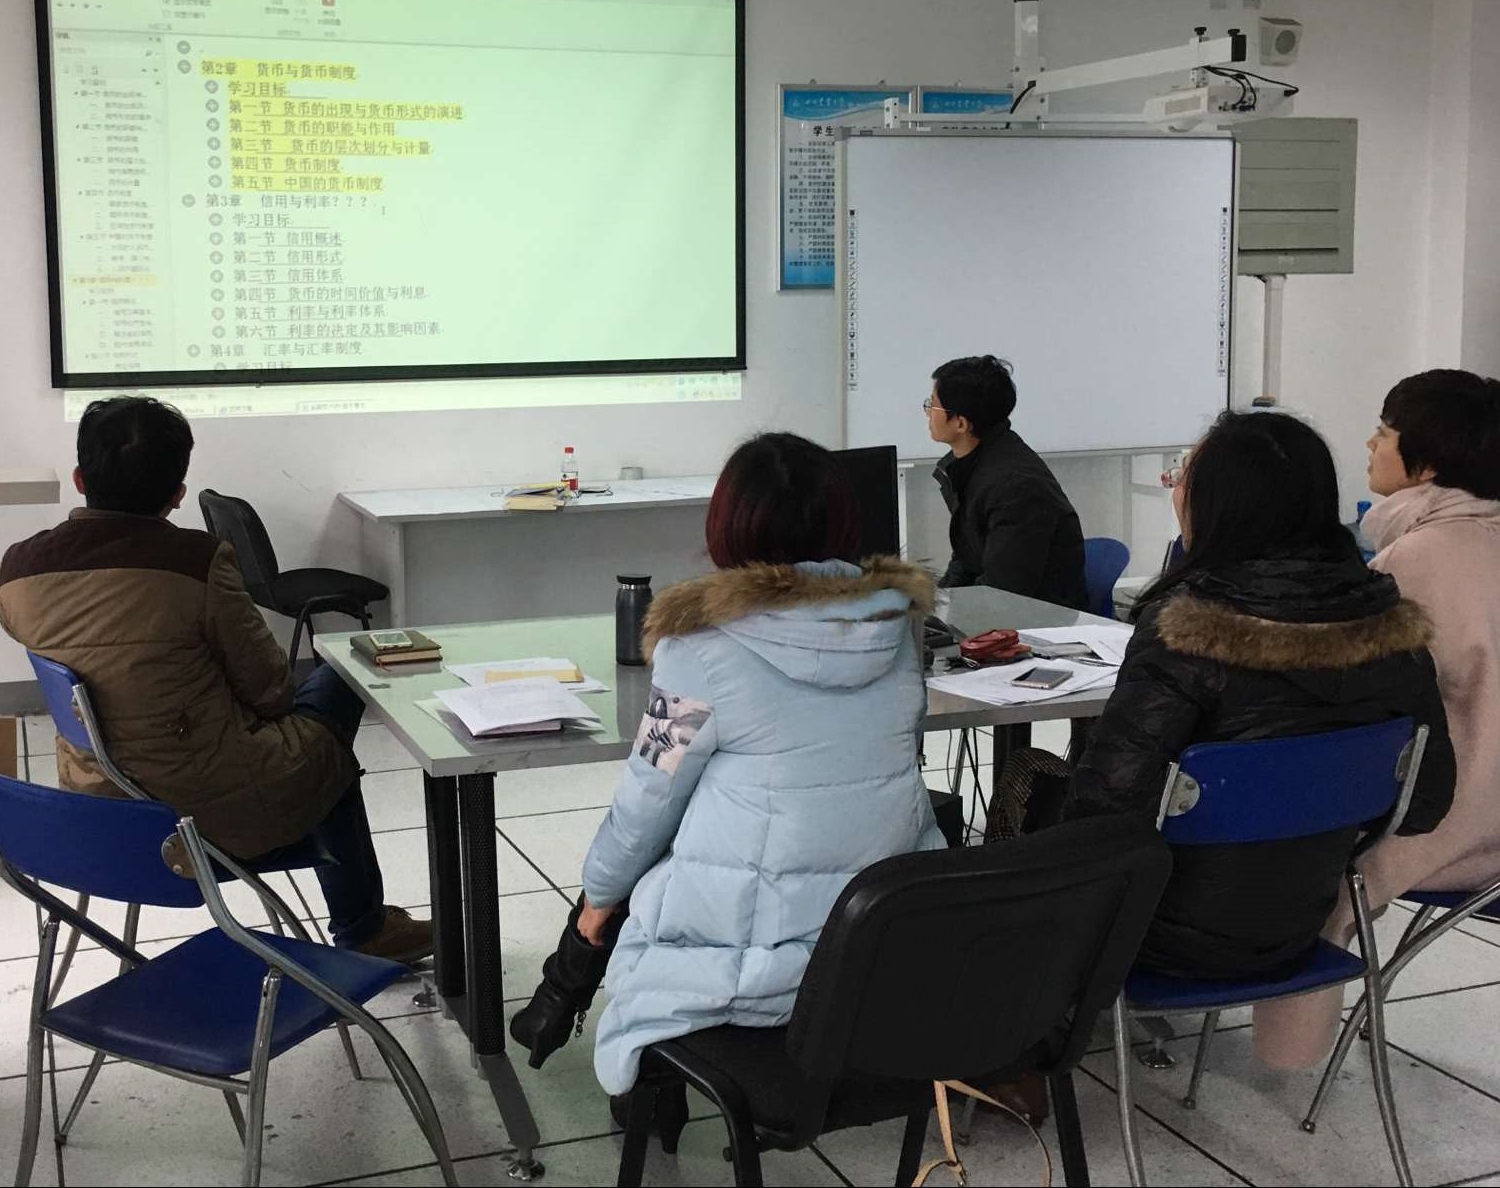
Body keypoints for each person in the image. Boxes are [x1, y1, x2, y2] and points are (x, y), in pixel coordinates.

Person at [509, 431, 944, 1112]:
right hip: (877, 951)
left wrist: (597, 897)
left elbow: (647, 800)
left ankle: (619, 1060)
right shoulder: (895, 631)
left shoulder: (699, 647)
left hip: (750, 966)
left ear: (728, 526)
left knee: (630, 878)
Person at [0, 395, 432, 964]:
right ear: (178, 493)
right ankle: (363, 926)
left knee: (318, 752)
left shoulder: (19, 569)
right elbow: (272, 691)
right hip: (202, 811)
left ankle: (361, 913)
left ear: (81, 479)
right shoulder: (195, 561)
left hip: (98, 805)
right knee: (339, 690)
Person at [1063, 409, 1454, 990]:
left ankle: (1032, 1013)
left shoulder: (1184, 632)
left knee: (1033, 780)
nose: (1176, 491)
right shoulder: (1393, 633)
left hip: (1154, 931)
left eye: (1184, 477)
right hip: (1302, 923)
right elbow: (1424, 804)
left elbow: (1103, 814)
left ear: (1220, 504)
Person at [1256, 369, 1500, 1067]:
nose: (1369, 442)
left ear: (1427, 463)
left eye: (1384, 432)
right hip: (1487, 807)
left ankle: (1288, 1056)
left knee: (1292, 851)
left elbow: (1342, 699)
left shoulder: (1416, 558)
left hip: (1458, 824)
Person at [927, 355, 1087, 610]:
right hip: (1000, 610)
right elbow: (967, 558)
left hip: (1037, 619)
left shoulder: (1016, 487)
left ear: (960, 423)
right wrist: (936, 607)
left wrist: (951, 615)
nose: (927, 413)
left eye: (932, 406)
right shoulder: (970, 466)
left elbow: (1004, 591)